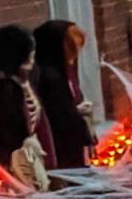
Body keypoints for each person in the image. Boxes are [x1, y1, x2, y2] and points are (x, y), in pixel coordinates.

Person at [0, 24, 55, 186]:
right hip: (22, 160)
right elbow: (7, 130)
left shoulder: (27, 82)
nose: (32, 56)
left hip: (37, 152)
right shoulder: (5, 90)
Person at [31, 19, 94, 169]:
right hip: (61, 149)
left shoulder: (65, 70)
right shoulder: (50, 77)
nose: (74, 58)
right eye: (73, 50)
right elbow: (61, 114)